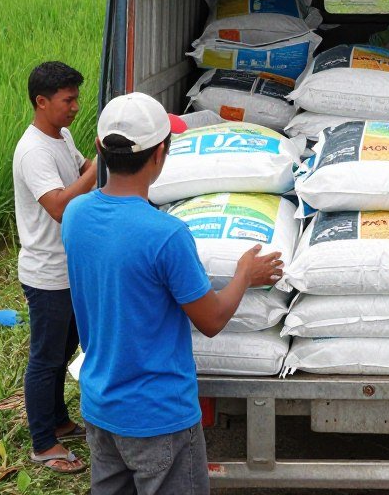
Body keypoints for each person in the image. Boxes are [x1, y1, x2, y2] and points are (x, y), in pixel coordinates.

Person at [62, 92, 284, 495]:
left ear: (98, 147)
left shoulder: (76, 215)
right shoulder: (167, 236)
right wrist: (243, 275)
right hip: (158, 416)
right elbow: (212, 320)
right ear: (161, 154)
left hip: (100, 406)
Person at [13, 61, 97, 474]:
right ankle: (43, 444)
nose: (76, 107)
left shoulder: (61, 135)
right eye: (69, 100)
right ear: (41, 102)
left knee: (64, 351)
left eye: (77, 98)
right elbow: (60, 206)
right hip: (47, 275)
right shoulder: (33, 151)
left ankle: (59, 422)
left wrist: (103, 159)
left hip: (69, 269)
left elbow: (82, 171)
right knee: (46, 359)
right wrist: (99, 167)